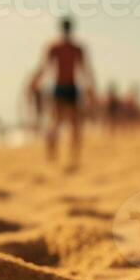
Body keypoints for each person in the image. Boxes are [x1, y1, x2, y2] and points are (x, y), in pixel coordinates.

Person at [31, 17, 94, 169]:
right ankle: (68, 156)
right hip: (68, 87)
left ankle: (57, 155)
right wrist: (90, 88)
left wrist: (34, 81)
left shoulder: (57, 47)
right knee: (71, 123)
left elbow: (44, 68)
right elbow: (85, 71)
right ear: (71, 29)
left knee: (59, 122)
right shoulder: (72, 48)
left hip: (62, 87)